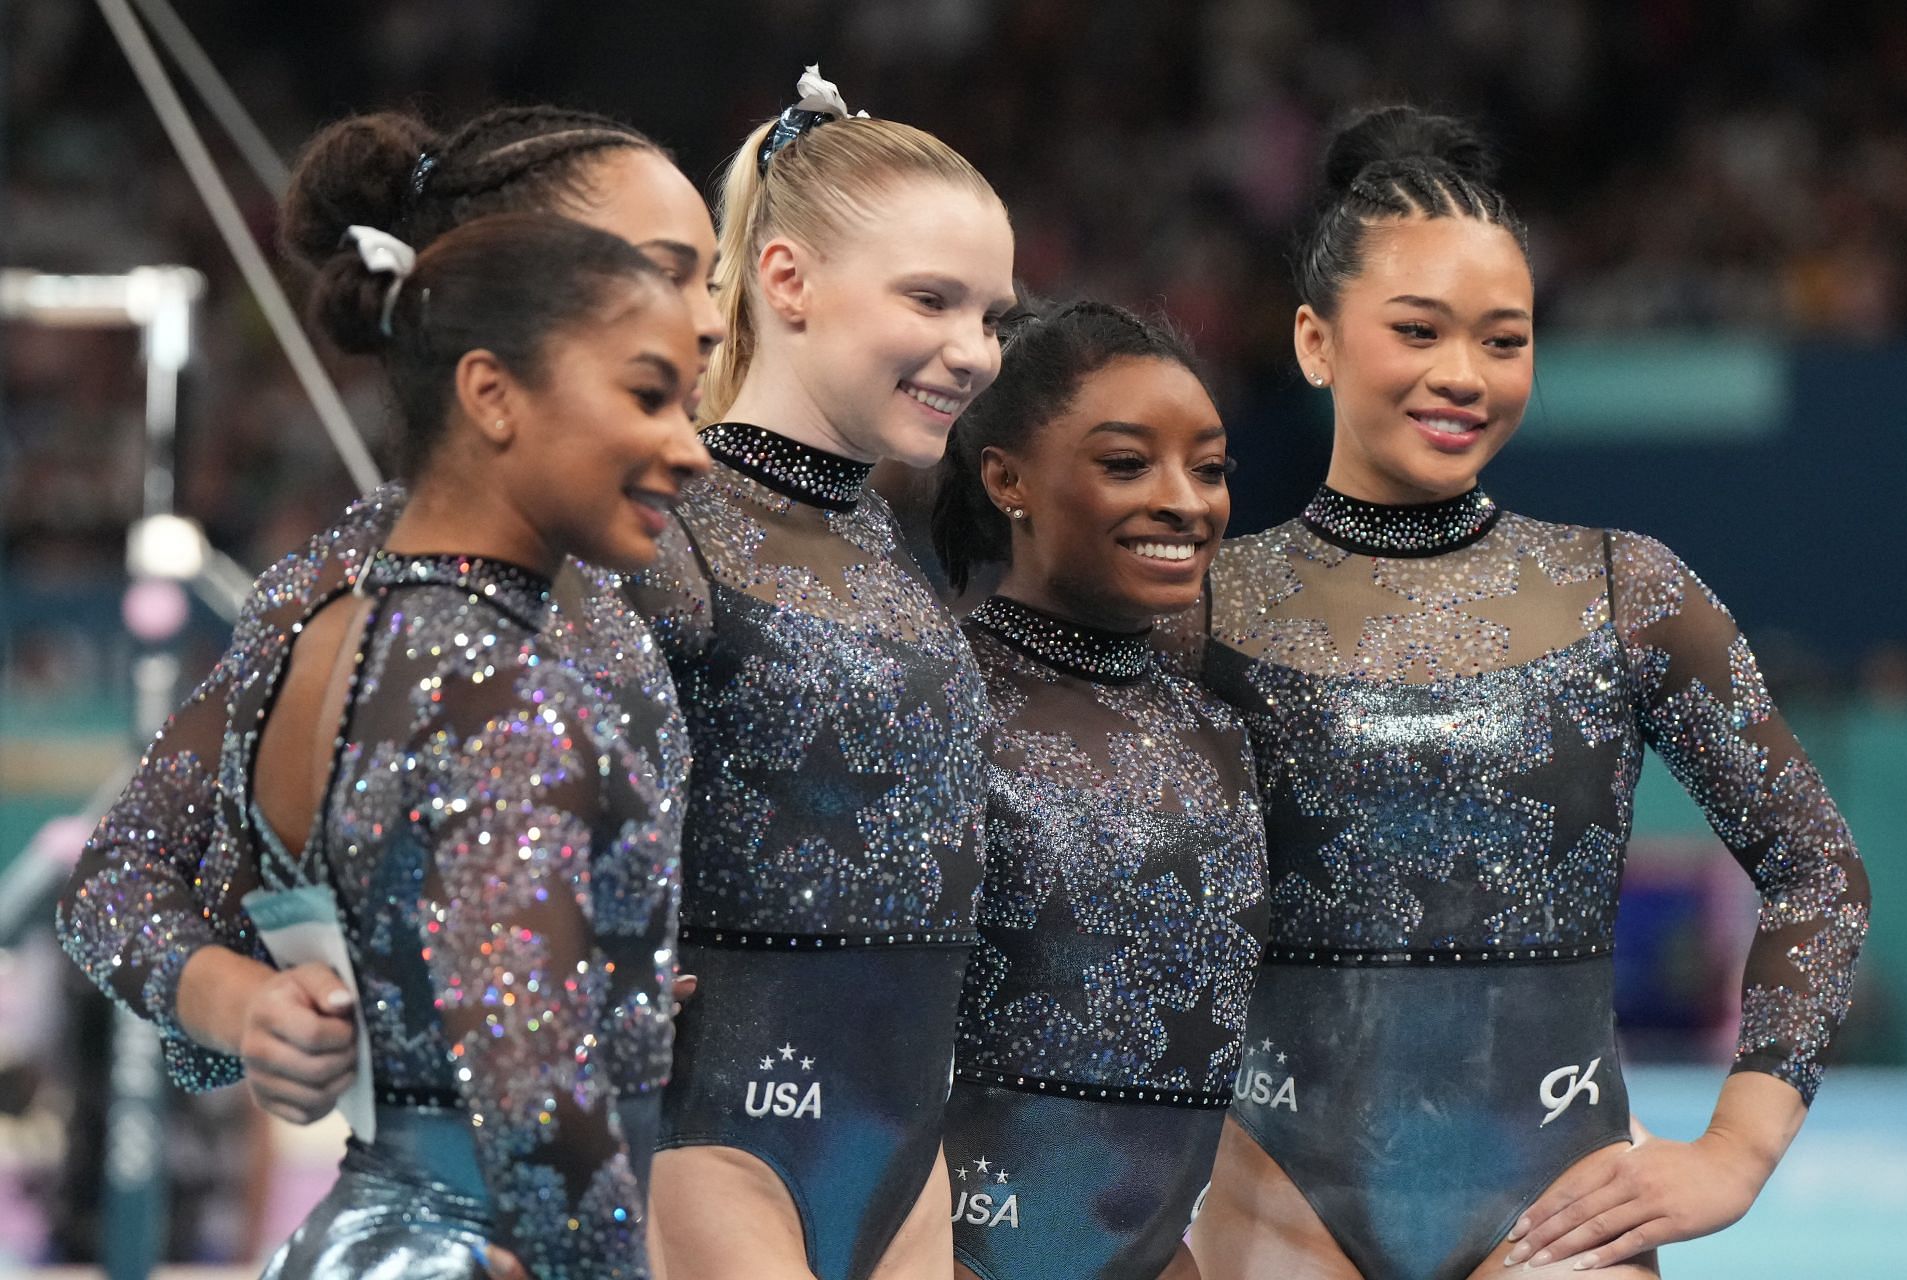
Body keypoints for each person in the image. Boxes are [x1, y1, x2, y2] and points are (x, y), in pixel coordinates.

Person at [1182, 107, 1870, 1280]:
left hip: (1558, 1206)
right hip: (1275, 1196)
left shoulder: (1623, 588)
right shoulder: (1201, 607)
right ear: (1314, 340)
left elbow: (1819, 870)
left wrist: (1736, 1153)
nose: (1464, 375)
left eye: (1506, 339)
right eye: (1418, 330)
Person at [57, 102, 723, 1124]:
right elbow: (118, 877)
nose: (711, 318)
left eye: (711, 280)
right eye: (666, 271)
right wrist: (246, 1004)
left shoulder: (673, 530)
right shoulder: (366, 595)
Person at [238, 208, 705, 1277]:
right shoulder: (508, 691)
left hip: (361, 1231)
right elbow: (536, 1089)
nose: (690, 448)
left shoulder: (336, 641)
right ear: (492, 393)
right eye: (647, 396)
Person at [620, 66, 1016, 1280]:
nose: (975, 353)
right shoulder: (665, 528)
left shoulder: (883, 548)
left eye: (994, 316)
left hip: (902, 1151)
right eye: (933, 301)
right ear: (786, 278)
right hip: (709, 1133)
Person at [929, 300, 1268, 1280]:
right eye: (1127, 464)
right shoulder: (938, 698)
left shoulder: (1221, 731)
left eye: (1209, 469)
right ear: (1007, 478)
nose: (1185, 501)